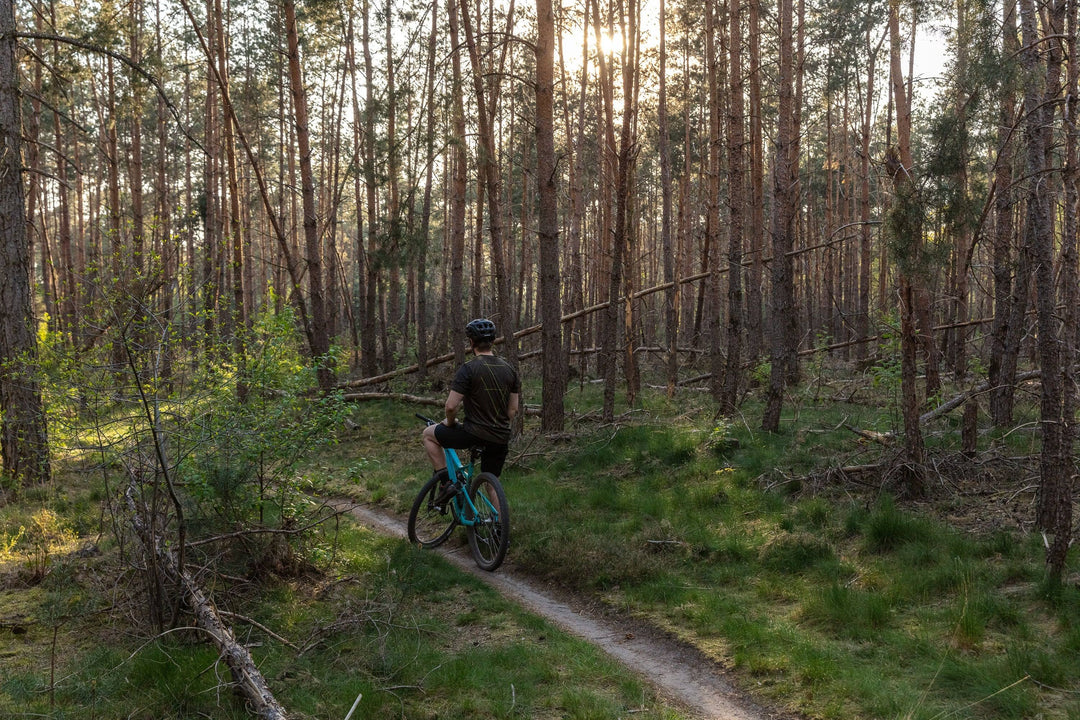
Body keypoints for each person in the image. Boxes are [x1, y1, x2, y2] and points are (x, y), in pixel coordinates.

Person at [422, 318, 520, 494]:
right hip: (500, 436)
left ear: (471, 342)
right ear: (493, 341)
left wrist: (450, 423)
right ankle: (498, 521)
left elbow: (451, 406)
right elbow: (513, 410)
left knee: (428, 435)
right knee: (492, 483)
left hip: (472, 434)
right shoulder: (510, 369)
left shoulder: (468, 368)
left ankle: (446, 484)